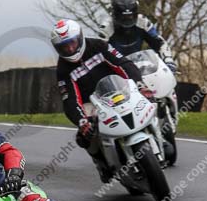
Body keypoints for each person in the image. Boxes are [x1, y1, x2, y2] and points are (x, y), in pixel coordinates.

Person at [51, 18, 146, 183]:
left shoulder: (99, 45)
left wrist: (139, 83)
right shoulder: (63, 70)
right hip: (92, 102)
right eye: (64, 47)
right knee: (85, 134)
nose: (70, 48)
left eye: (72, 43)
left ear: (80, 37)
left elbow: (123, 63)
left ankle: (160, 135)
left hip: (118, 88)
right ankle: (102, 163)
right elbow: (69, 100)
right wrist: (82, 121)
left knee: (148, 98)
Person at [100, 0, 177, 72]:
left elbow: (160, 43)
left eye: (130, 16)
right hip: (116, 70)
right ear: (115, 14)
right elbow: (99, 52)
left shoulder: (143, 22)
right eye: (123, 17)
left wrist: (168, 60)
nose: (127, 19)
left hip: (139, 66)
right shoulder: (106, 28)